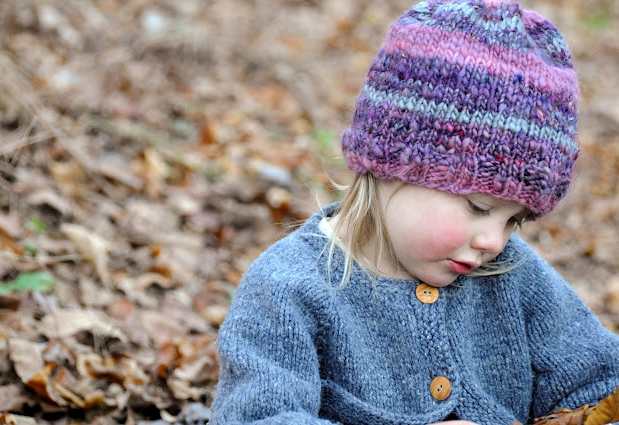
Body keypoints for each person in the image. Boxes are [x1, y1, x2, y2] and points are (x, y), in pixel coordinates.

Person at [209, 0, 619, 424]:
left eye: (514, 220)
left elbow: (600, 384)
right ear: (393, 164)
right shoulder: (289, 289)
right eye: (478, 207)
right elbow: (259, 416)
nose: (494, 242)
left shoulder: (514, 277)